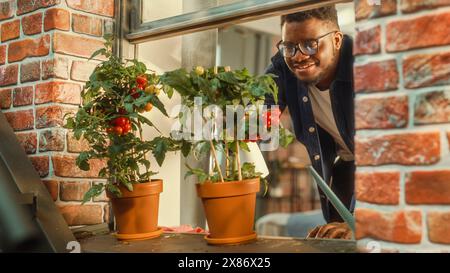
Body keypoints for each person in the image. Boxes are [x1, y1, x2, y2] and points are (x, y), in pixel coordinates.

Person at [264, 5, 355, 239]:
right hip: (347, 169)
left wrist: (366, 218)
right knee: (335, 237)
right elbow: (260, 114)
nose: (299, 56)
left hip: (384, 168)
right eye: (290, 47)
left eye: (310, 44)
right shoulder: (283, 67)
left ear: (336, 40)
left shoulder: (365, 62)